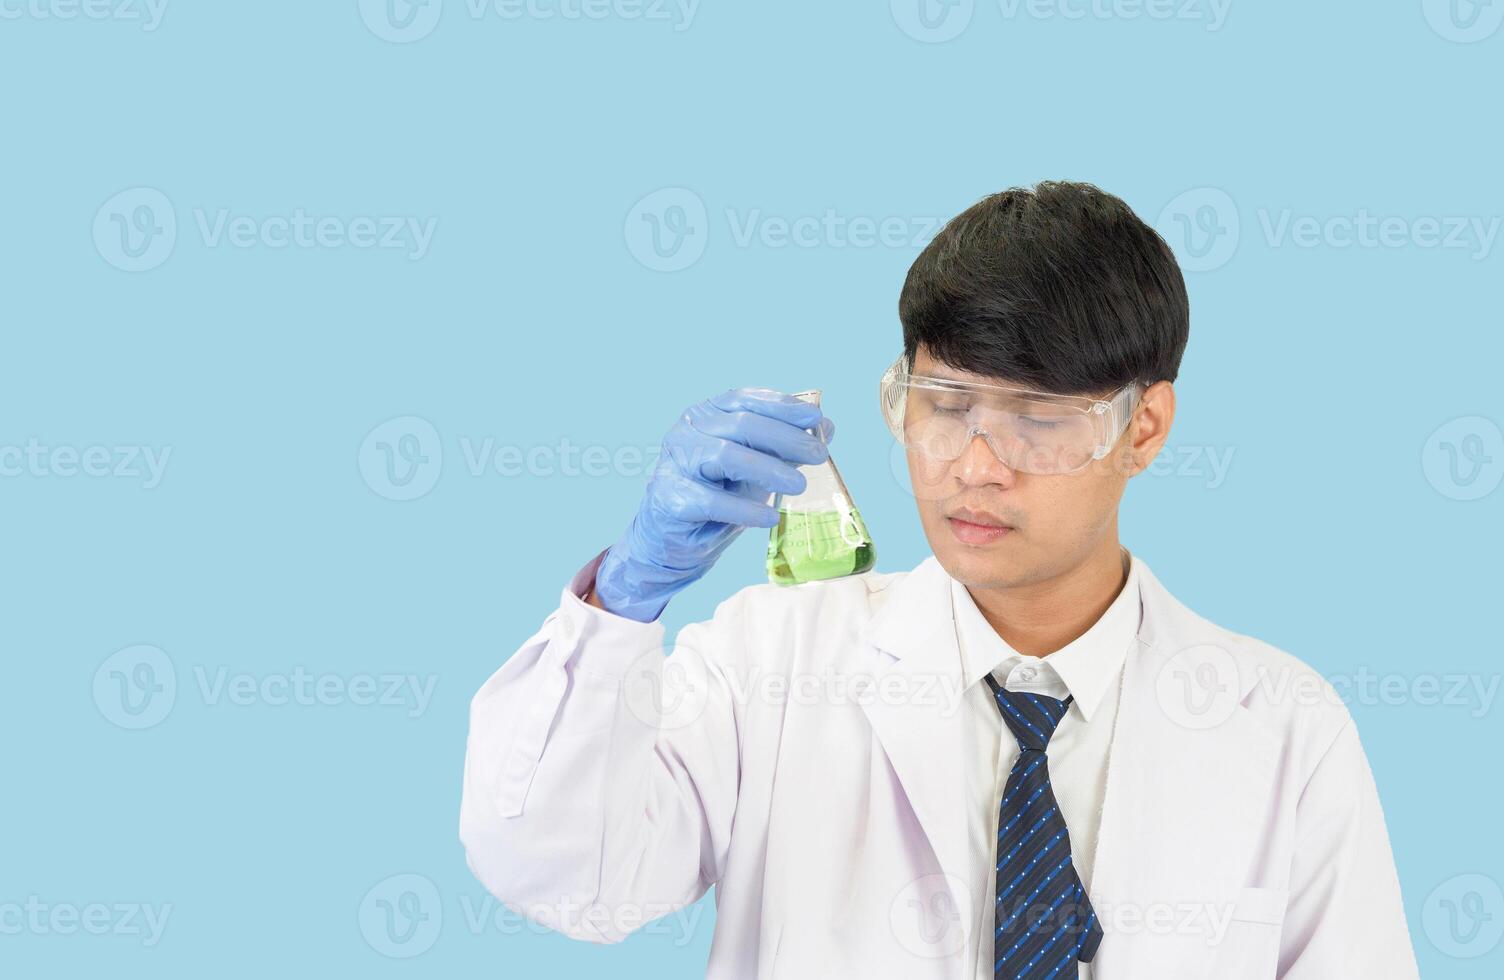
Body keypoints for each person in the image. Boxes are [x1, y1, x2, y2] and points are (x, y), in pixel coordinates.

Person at [458, 181, 1419, 979]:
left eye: (1039, 417)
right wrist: (622, 604)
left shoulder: (1285, 727)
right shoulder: (773, 660)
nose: (975, 463)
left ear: (1147, 427)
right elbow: (564, 879)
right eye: (943, 404)